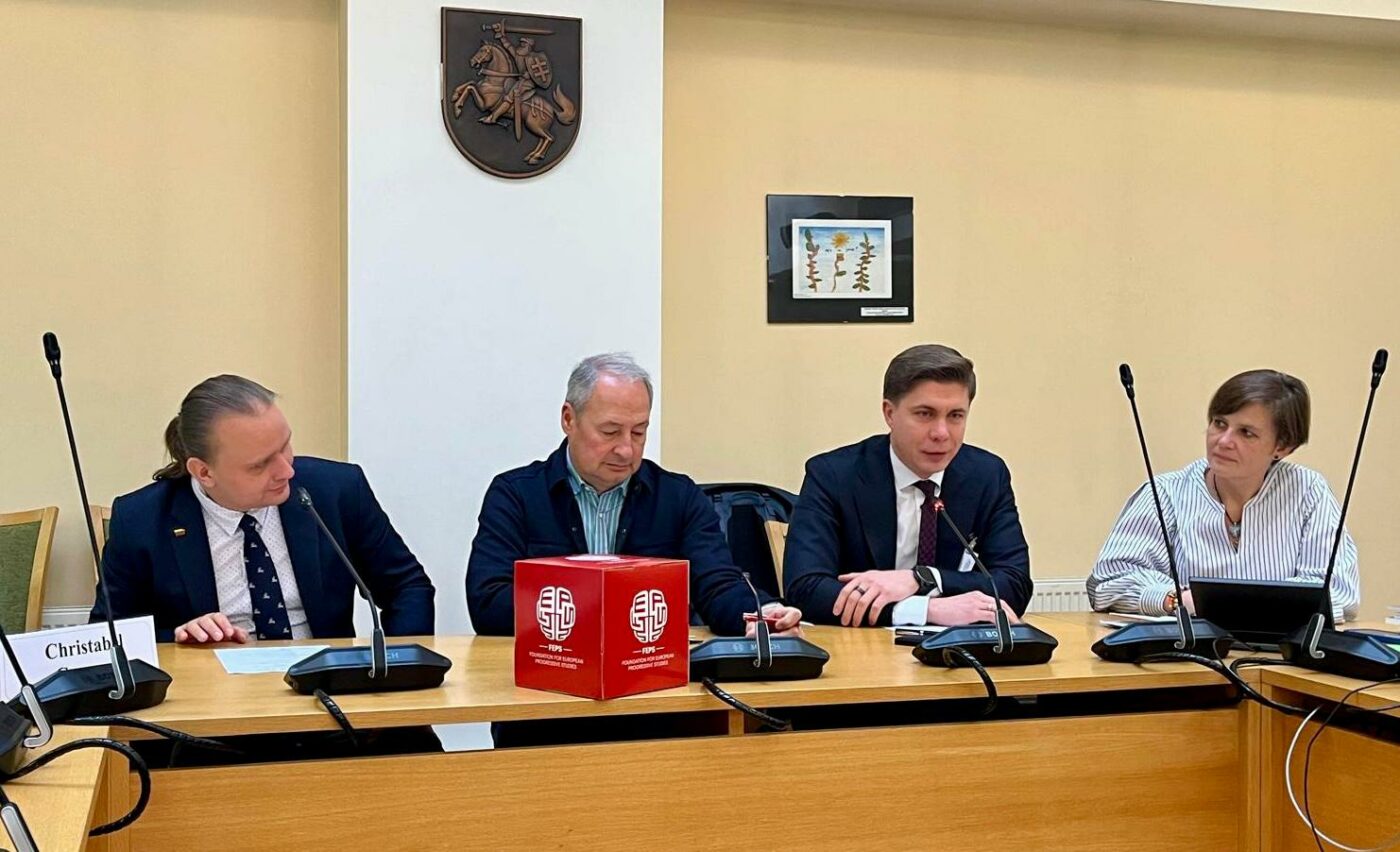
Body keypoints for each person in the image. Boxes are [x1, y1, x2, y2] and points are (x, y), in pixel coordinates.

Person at [466, 353, 801, 638]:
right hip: (546, 674)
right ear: (569, 419)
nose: (626, 449)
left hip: (649, 677)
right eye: (610, 432)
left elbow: (718, 585)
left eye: (638, 432)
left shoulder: (678, 497)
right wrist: (604, 606)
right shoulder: (516, 495)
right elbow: (489, 603)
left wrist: (761, 614)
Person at [91, 374, 436, 643]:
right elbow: (108, 635)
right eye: (259, 465)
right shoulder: (141, 519)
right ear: (204, 472)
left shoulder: (336, 490)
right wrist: (179, 639)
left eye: (285, 446)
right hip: (213, 701)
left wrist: (398, 666)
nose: (286, 471)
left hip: (328, 692)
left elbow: (407, 587)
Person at [784, 344, 1032, 628]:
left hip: (958, 649)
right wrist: (923, 610)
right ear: (889, 413)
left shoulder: (986, 475)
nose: (941, 433)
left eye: (955, 415)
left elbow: (1014, 585)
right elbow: (806, 589)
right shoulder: (834, 475)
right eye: (925, 414)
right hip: (860, 646)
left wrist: (922, 578)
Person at [1089, 369, 1360, 621]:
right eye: (1219, 424)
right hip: (1188, 654)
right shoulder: (1166, 493)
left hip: (1279, 653)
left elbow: (1338, 593)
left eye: (1246, 433)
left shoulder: (1308, 492)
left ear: (1283, 446)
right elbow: (1107, 582)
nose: (1223, 441)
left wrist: (1224, 604)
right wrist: (1177, 599)